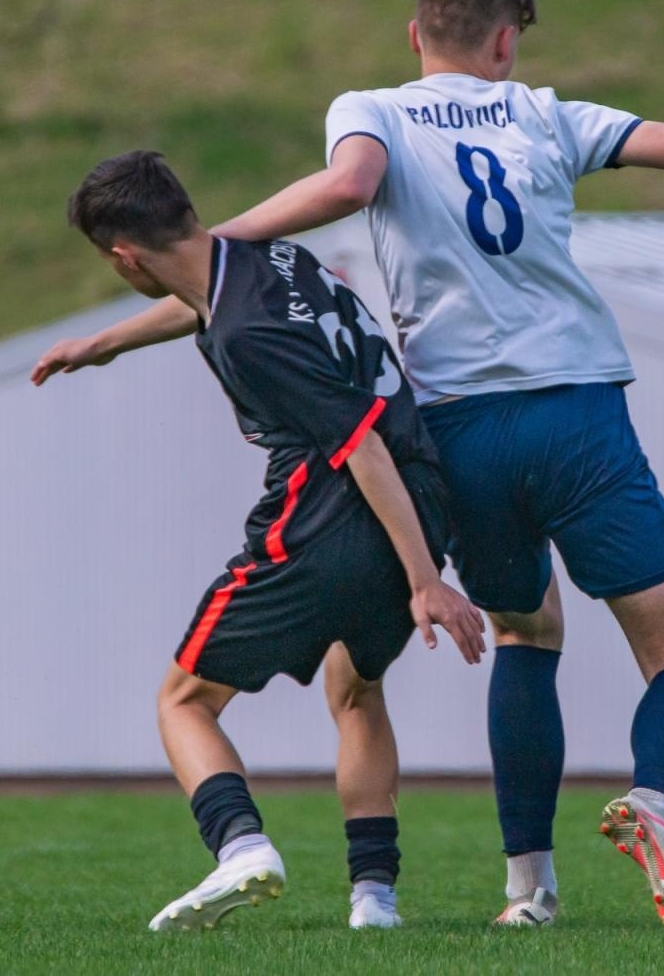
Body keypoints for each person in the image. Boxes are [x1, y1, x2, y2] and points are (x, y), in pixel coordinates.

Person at [47, 0, 664, 932]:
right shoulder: (548, 115)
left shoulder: (372, 110)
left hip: (457, 433)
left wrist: (133, 320)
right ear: (505, 39)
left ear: (415, 36)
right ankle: (656, 799)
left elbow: (332, 196)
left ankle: (527, 888)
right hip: (577, 412)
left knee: (528, 632)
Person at [35, 150, 487, 930]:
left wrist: (425, 582)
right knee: (356, 688)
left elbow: (359, 445)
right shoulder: (270, 256)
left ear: (122, 256)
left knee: (184, 700)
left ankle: (240, 845)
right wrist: (107, 341)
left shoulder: (246, 334)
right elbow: (199, 302)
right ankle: (374, 897)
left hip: (332, 513)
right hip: (424, 492)